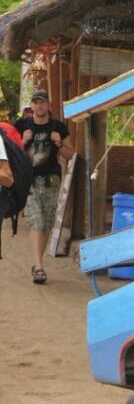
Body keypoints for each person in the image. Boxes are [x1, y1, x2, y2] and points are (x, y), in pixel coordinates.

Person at [13, 90, 74, 283]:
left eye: (42, 102)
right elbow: (10, 151)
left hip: (51, 181)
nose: (39, 106)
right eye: (36, 103)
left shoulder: (59, 127)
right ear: (32, 106)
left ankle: (38, 265)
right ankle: (39, 266)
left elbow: (71, 154)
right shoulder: (22, 125)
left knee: (46, 224)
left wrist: (58, 143)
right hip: (29, 181)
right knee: (36, 221)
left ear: (48, 105)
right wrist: (23, 141)